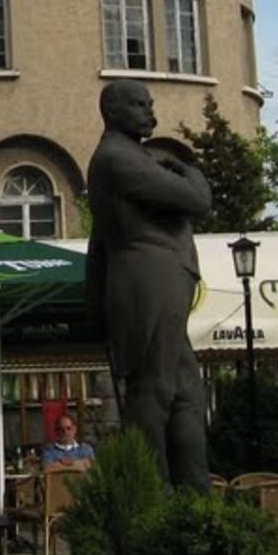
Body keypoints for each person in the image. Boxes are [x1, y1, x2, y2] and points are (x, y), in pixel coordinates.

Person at [86, 78, 213, 489]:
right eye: (140, 105)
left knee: (185, 393)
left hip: (158, 276)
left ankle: (193, 498)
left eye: (150, 104)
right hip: (148, 277)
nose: (150, 113)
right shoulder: (117, 157)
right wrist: (189, 171)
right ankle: (152, 499)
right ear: (113, 110)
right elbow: (198, 201)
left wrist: (96, 298)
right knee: (153, 392)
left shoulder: (127, 157)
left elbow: (97, 242)